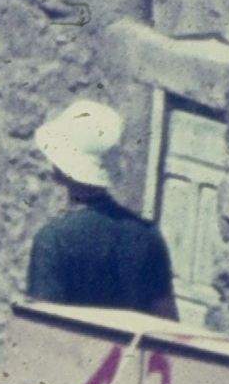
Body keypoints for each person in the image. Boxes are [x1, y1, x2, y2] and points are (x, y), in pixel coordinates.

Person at [26, 96, 178, 313]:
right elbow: (166, 321)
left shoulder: (54, 240)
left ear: (61, 170)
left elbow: (42, 325)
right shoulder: (147, 236)